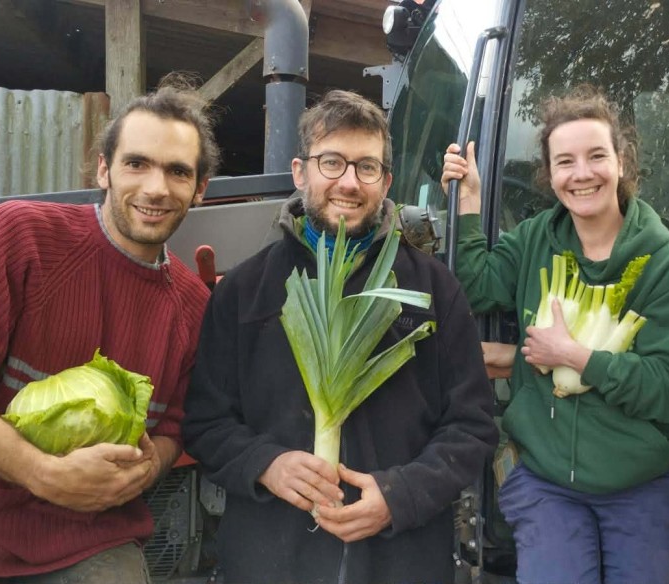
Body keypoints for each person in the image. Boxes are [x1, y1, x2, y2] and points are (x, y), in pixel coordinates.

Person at [182, 89, 498, 584]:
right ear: (300, 172)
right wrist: (267, 464)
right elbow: (205, 421)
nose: (349, 182)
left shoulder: (433, 289)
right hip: (270, 563)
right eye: (331, 162)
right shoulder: (244, 291)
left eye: (367, 167)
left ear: (386, 182)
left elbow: (472, 424)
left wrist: (400, 495)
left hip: (402, 563)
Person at [441, 86, 669, 584]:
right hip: (546, 482)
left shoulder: (666, 267)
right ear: (549, 175)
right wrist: (470, 202)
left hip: (638, 486)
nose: (581, 173)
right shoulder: (534, 239)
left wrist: (578, 357)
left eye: (596, 156)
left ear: (621, 162)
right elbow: (477, 287)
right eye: (564, 162)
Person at [0, 76, 217, 582]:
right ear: (103, 169)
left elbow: (175, 426)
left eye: (178, 171)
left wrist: (150, 466)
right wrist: (43, 474)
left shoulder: (194, 308)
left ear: (200, 189)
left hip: (91, 541)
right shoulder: (21, 237)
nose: (156, 188)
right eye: (137, 163)